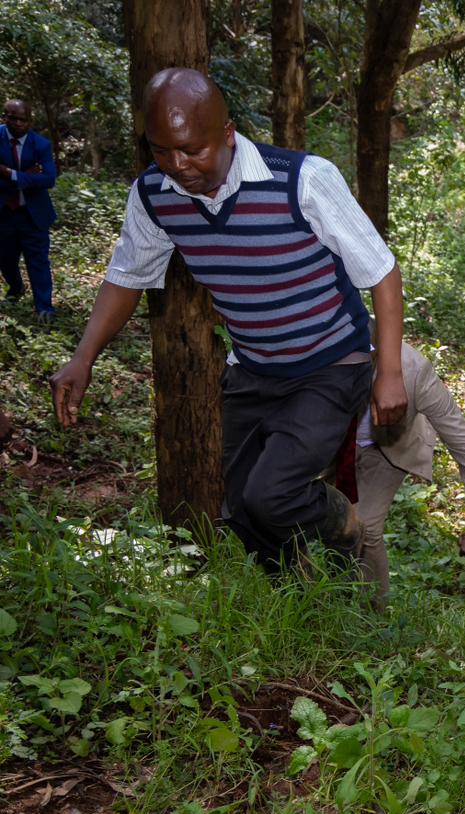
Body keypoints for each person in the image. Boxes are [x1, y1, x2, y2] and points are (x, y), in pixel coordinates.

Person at [49, 68, 407, 570]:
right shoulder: (154, 196)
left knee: (271, 496)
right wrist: (82, 357)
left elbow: (383, 274)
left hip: (331, 361)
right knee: (238, 506)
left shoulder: (302, 180)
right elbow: (127, 277)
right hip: (254, 365)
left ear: (227, 133)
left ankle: (339, 521)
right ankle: (290, 595)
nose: (178, 164)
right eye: (161, 150)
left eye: (193, 150)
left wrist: (389, 372)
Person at [355, 343, 465, 603]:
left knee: (365, 527)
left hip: (387, 446)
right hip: (327, 443)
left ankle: (372, 613)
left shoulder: (413, 370)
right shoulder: (314, 348)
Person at [1, 100, 58, 322]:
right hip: (4, 212)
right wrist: (29, 175)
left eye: (21, 119)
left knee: (38, 261)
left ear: (30, 121)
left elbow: (48, 179)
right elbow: (37, 179)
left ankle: (44, 307)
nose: (15, 123)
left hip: (32, 214)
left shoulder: (40, 145)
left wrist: (9, 173)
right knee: (5, 258)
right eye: (10, 117)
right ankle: (16, 289)